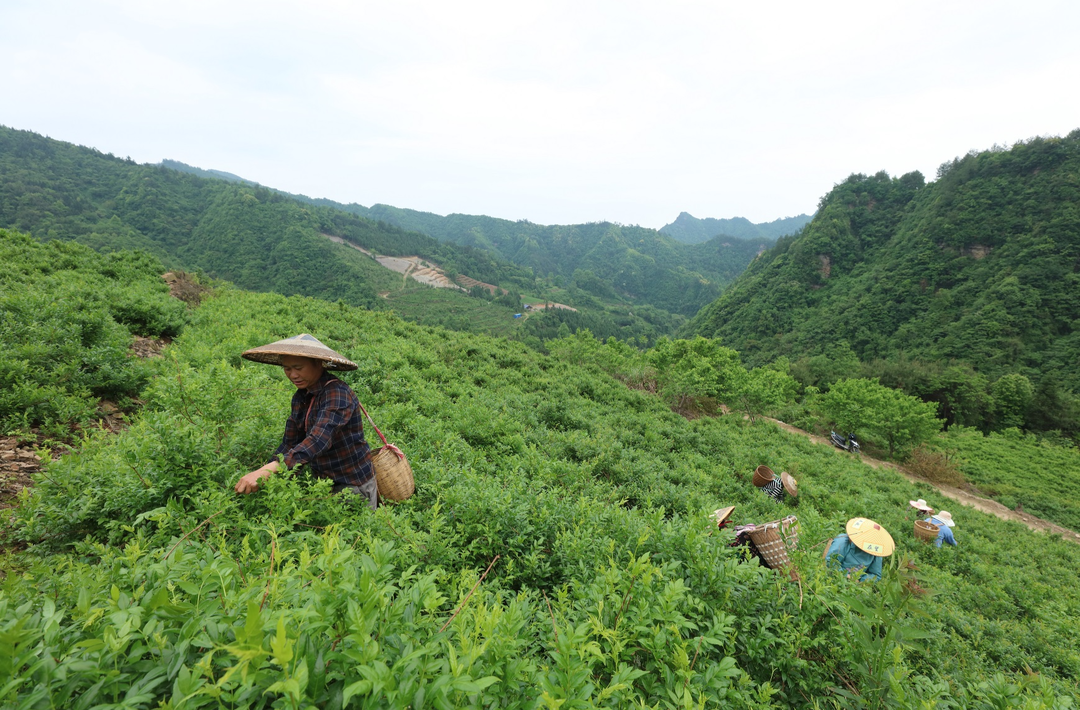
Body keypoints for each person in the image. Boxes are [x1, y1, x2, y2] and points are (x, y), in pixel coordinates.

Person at [234, 334, 378, 510]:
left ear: (318, 364)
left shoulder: (337, 394)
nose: (293, 375)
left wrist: (271, 469)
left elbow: (318, 440)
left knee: (356, 534)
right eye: (287, 368)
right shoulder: (301, 396)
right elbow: (290, 442)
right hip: (323, 482)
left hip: (352, 485)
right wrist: (267, 470)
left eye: (298, 367)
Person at [824, 517, 895, 582]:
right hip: (833, 577)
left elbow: (875, 574)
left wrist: (861, 581)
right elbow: (830, 562)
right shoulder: (843, 541)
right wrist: (845, 576)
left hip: (855, 585)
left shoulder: (875, 552)